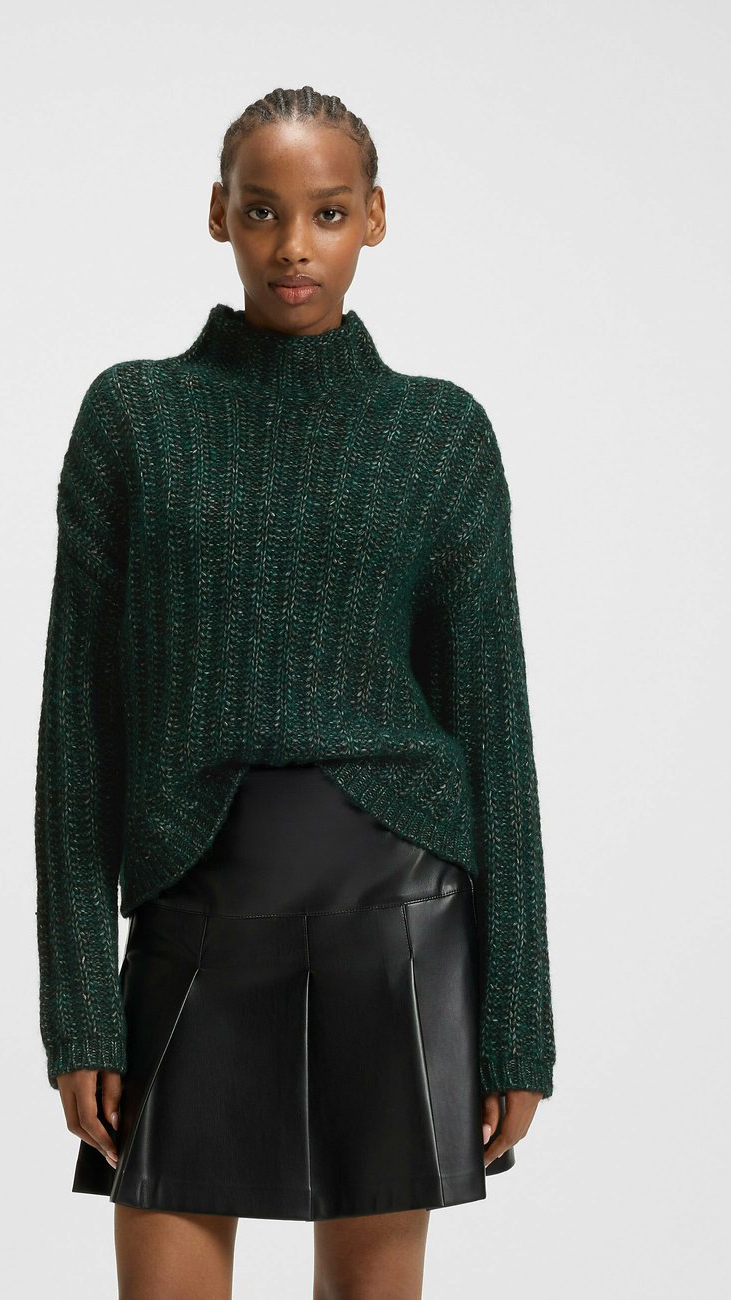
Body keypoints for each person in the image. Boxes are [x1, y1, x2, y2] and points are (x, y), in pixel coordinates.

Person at [34, 85, 556, 1300]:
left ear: (375, 217)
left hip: (400, 922)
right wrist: (79, 1008)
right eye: (262, 210)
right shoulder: (134, 419)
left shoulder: (439, 434)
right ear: (218, 214)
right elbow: (79, 733)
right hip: (195, 910)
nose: (293, 245)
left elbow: (496, 734)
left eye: (327, 212)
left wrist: (517, 1021)